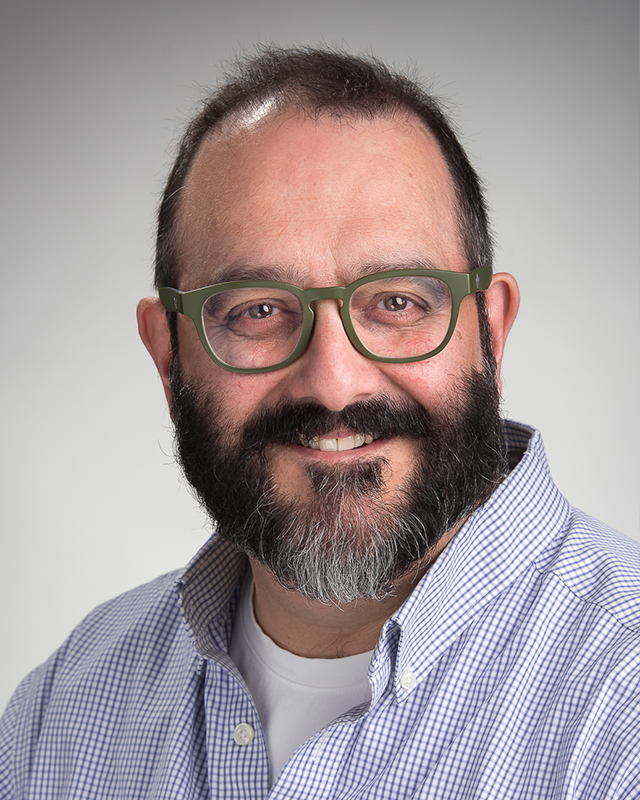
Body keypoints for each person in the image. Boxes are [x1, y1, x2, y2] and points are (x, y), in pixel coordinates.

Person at [1, 46, 638, 800]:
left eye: (398, 302)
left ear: (491, 332)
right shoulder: (62, 710)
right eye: (257, 311)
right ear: (168, 355)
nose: (335, 382)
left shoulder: (623, 699)